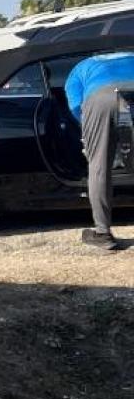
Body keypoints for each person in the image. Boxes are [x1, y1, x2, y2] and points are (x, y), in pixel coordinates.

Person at [64, 50, 134, 249]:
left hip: (101, 97)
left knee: (99, 166)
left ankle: (102, 233)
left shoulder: (80, 68)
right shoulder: (131, 56)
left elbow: (77, 106)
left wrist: (94, 134)